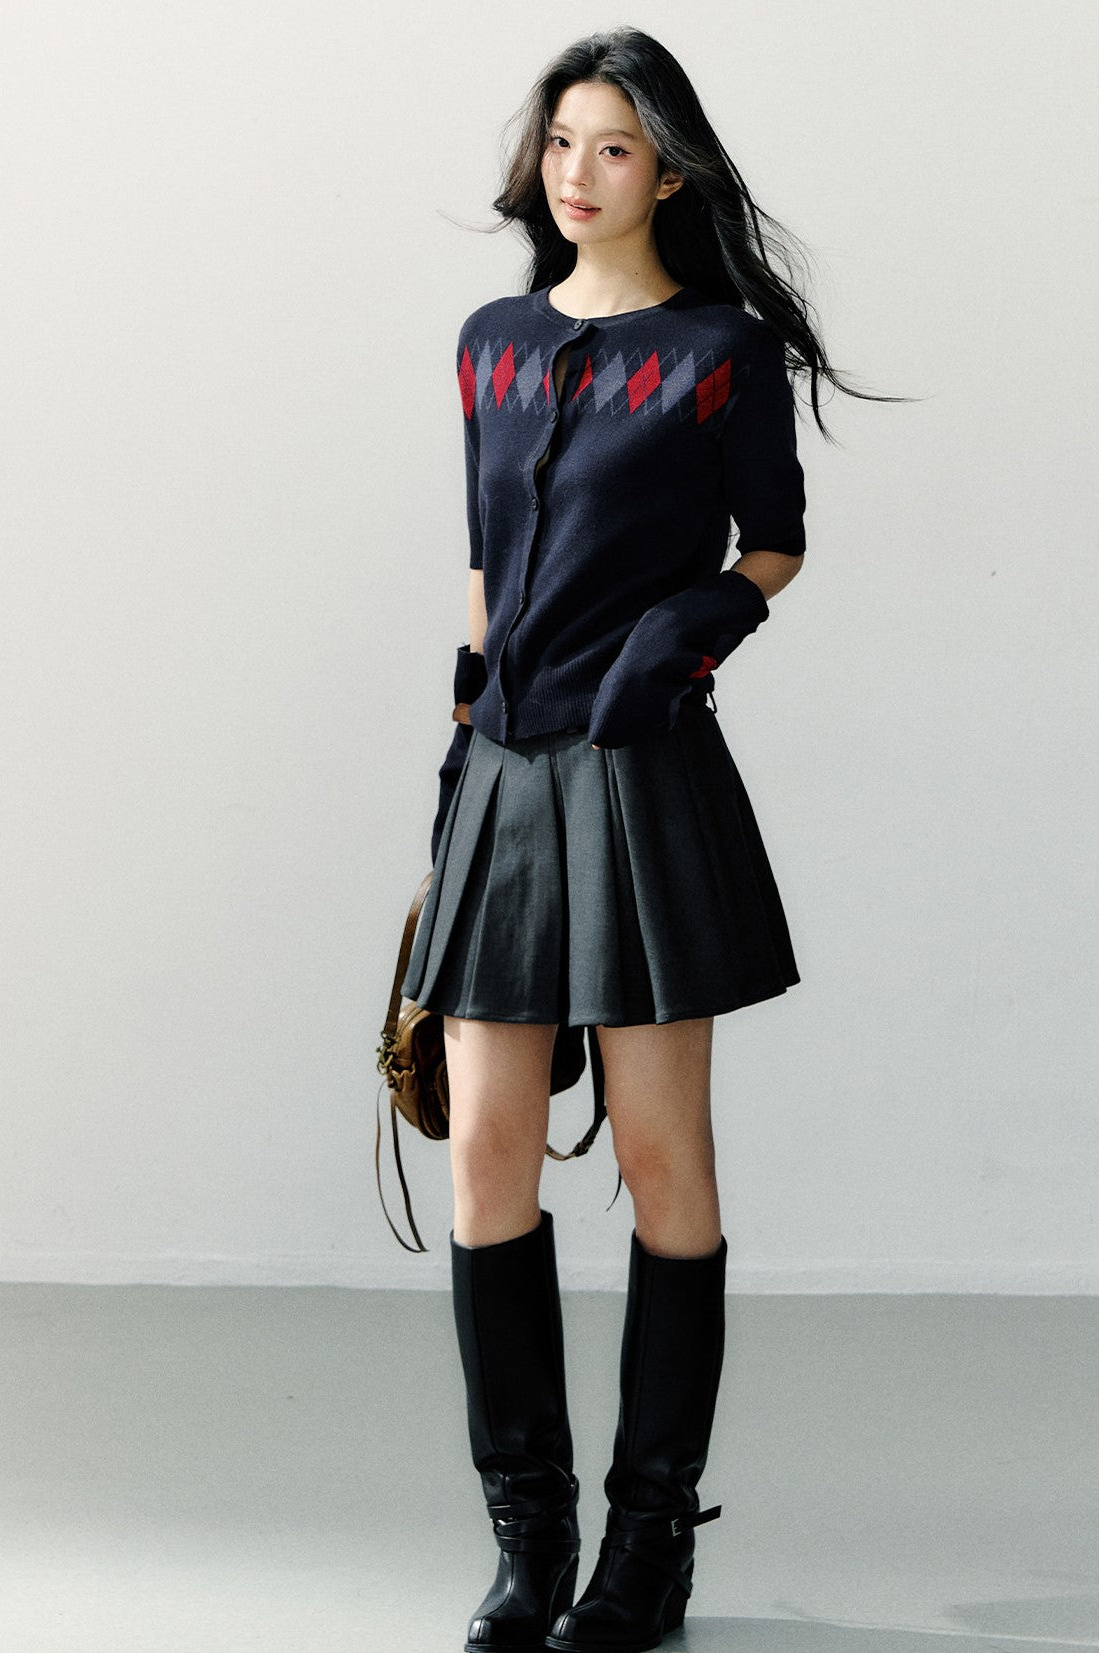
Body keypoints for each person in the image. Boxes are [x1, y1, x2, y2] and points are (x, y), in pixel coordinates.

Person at [400, 26, 901, 1653]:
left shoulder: (717, 350)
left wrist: (686, 631)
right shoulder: (488, 342)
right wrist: (461, 741)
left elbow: (775, 543)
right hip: (504, 771)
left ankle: (647, 1544)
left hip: (638, 772)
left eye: (611, 145)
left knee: (659, 1149)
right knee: (484, 1147)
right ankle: (527, 1539)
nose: (577, 170)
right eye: (561, 140)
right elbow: (484, 560)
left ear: (666, 172)